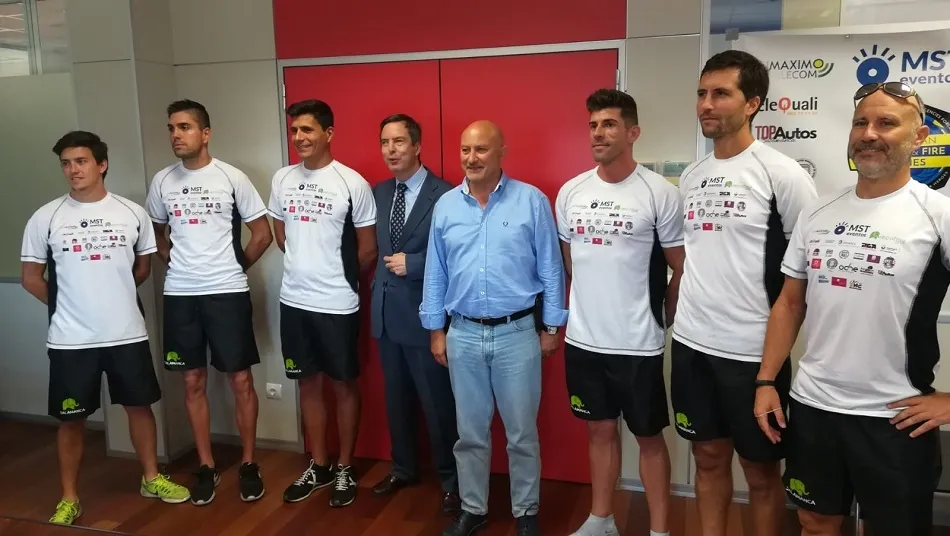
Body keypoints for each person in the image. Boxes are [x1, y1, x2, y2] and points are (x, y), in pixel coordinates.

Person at [755, 82, 947, 535]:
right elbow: (789, 302)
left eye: (886, 123)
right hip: (815, 407)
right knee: (814, 521)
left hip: (896, 417)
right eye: (861, 122)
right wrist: (766, 379)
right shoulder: (819, 211)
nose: (869, 133)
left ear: (918, 137)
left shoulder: (938, 215)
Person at [670, 50, 818, 535]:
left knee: (760, 473)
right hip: (692, 345)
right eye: (701, 93)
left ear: (752, 103)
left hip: (754, 356)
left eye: (721, 94)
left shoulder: (783, 175)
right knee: (707, 459)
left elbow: (803, 278)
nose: (706, 104)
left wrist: (770, 373)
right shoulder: (691, 176)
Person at [21, 131, 190, 526]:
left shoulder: (131, 213)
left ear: (101, 164)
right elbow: (32, 277)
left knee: (139, 407)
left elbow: (142, 269)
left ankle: (152, 478)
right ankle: (69, 498)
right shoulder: (45, 217)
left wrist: (110, 300)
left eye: (80, 161)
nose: (72, 169)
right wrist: (66, 307)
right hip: (70, 340)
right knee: (71, 419)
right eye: (66, 163)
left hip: (126, 334)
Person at [421, 120, 568, 536]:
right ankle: (473, 508)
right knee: (469, 434)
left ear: (502, 152)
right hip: (462, 334)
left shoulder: (531, 201)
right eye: (466, 150)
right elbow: (436, 272)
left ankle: (526, 512)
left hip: (517, 334)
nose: (471, 158)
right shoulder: (446, 206)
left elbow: (551, 269)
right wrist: (436, 329)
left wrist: (552, 326)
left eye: (481, 150)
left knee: (522, 433)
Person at [557, 89, 684, 536]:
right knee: (599, 432)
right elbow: (571, 261)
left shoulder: (658, 193)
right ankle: (601, 520)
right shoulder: (572, 191)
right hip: (584, 339)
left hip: (638, 343)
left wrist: (661, 317)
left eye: (609, 124)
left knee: (649, 438)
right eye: (593, 124)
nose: (598, 133)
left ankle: (660, 530)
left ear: (633, 133)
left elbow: (679, 267)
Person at [145, 99, 273, 505]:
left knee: (239, 379)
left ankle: (249, 463)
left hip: (227, 292)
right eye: (170, 128)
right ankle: (206, 465)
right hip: (181, 294)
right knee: (192, 379)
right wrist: (178, 264)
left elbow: (262, 233)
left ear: (205, 133)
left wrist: (234, 268)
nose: (175, 135)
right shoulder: (162, 181)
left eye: (183, 127)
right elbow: (158, 235)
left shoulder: (231, 177)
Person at [268, 99, 378, 508]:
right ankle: (320, 464)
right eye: (295, 131)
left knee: (343, 384)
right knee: (307, 383)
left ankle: (346, 467)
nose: (299, 138)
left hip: (338, 304)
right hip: (294, 301)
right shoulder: (282, 179)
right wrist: (304, 267)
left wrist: (334, 277)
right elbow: (281, 235)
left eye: (308, 130)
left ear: (329, 134)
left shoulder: (352, 183)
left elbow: (367, 250)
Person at [369, 114, 460, 514]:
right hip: (387, 316)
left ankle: (451, 480)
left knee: (438, 405)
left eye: (399, 142)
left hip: (427, 319)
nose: (391, 150)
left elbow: (461, 253)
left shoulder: (447, 194)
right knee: (396, 400)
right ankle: (403, 466)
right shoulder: (378, 192)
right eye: (385, 142)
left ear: (417, 146)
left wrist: (417, 264)